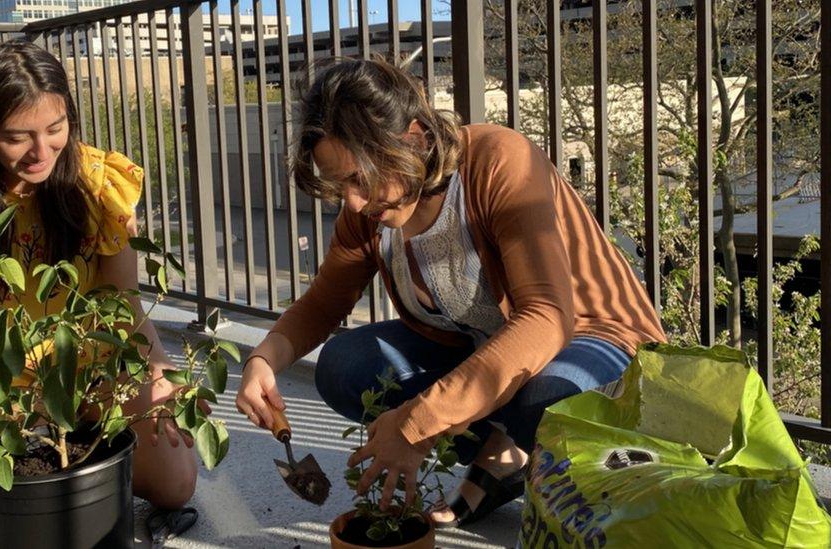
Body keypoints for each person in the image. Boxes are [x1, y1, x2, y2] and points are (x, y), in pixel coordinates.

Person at [235, 57, 666, 528]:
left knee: (547, 402)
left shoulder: (500, 161)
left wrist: (418, 423)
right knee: (344, 366)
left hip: (594, 337)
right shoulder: (365, 215)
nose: (353, 202)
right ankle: (505, 454)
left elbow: (547, 318)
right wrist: (263, 360)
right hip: (485, 346)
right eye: (340, 184)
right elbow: (323, 303)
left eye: (359, 177)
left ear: (414, 139)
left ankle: (523, 464)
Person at [0, 40, 198, 538]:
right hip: (7, 388)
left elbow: (122, 306)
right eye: (17, 137)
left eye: (55, 129)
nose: (42, 152)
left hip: (92, 364)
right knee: (18, 499)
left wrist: (159, 373)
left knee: (176, 484)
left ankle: (87, 431)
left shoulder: (98, 185)